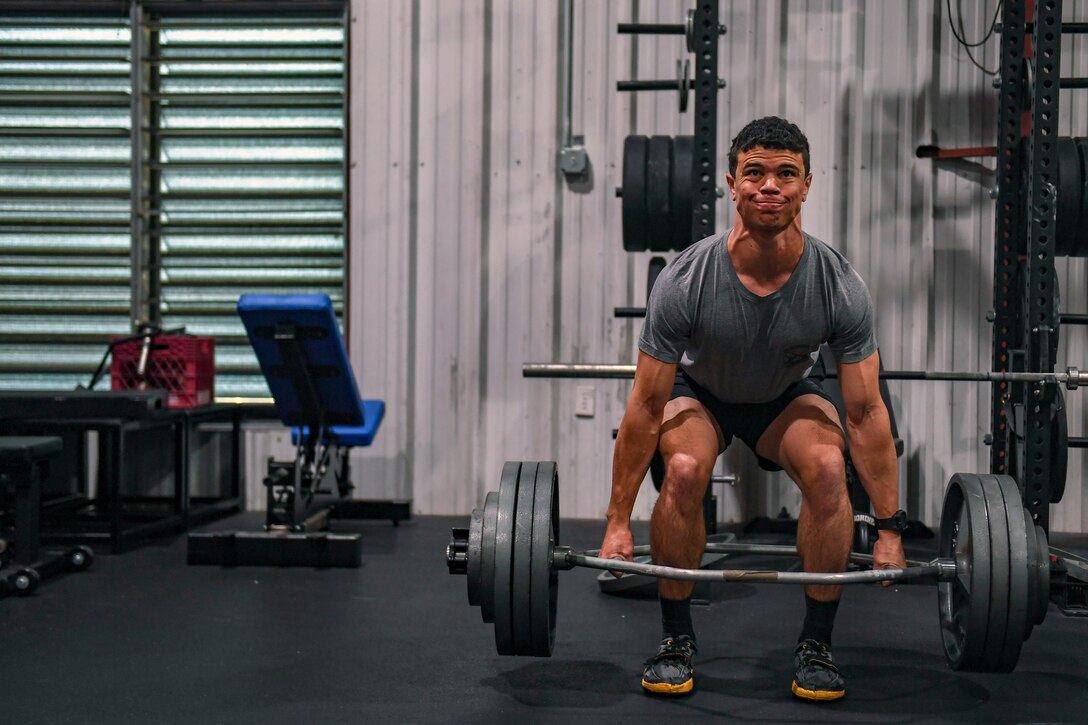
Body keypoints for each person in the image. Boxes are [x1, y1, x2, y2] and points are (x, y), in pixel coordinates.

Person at [599, 116, 907, 702]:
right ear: (731, 184)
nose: (770, 186)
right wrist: (617, 522)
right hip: (704, 396)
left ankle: (816, 646)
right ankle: (675, 640)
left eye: (785, 174)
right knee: (685, 471)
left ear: (807, 185)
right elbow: (645, 403)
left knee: (824, 467)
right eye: (755, 173)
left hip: (784, 397)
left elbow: (865, 412)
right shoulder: (686, 278)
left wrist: (890, 527)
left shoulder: (838, 283)